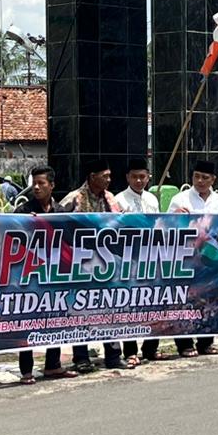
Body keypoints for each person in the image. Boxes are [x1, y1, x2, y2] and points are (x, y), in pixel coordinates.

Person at [59, 159, 130, 371]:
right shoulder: (74, 199)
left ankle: (113, 356)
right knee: (81, 309)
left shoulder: (111, 200)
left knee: (110, 309)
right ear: (92, 176)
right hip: (80, 263)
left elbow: (122, 223)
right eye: (104, 176)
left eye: (109, 176)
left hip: (106, 265)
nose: (108, 180)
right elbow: (56, 222)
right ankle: (81, 358)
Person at [15, 165, 77, 383]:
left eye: (41, 183)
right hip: (31, 275)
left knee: (56, 319)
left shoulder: (60, 212)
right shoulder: (23, 211)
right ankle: (26, 370)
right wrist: (27, 224)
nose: (36, 187)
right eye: (34, 183)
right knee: (28, 321)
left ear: (52, 185)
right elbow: (11, 237)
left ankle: (53, 365)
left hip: (55, 274)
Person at [168, 160, 218, 357]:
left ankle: (206, 342)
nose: (200, 181)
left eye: (205, 177)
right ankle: (184, 344)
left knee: (209, 299)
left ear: (213, 179)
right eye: (197, 176)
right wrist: (175, 216)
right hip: (186, 259)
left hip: (211, 259)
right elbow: (167, 229)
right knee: (185, 300)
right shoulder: (180, 199)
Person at [115, 158, 165, 363]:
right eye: (134, 177)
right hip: (128, 258)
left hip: (150, 256)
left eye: (142, 177)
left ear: (148, 177)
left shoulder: (152, 199)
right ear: (127, 177)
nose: (138, 180)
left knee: (154, 302)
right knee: (129, 304)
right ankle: (130, 351)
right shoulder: (119, 200)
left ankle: (151, 348)